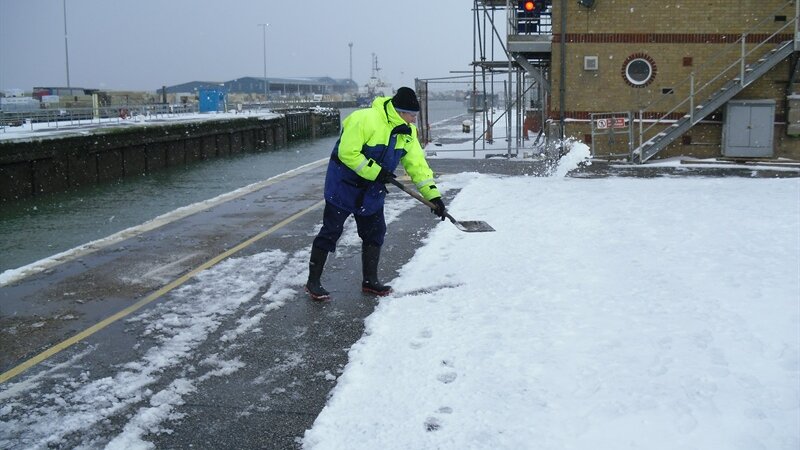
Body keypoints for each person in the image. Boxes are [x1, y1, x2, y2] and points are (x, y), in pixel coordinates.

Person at [305, 87, 447, 301]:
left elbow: (418, 166)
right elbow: (347, 152)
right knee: (330, 232)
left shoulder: (407, 133)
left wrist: (433, 196)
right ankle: (313, 282)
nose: (414, 121)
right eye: (412, 115)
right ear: (399, 112)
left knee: (375, 232)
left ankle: (370, 281)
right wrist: (376, 171)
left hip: (372, 190)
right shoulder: (364, 119)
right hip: (344, 184)